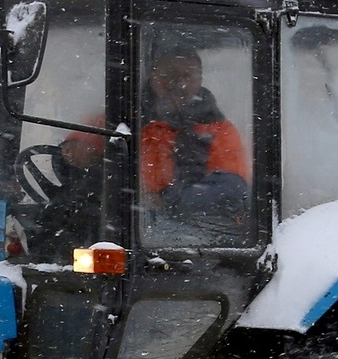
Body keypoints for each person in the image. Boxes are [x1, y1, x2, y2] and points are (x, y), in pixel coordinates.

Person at [49, 31, 250, 242]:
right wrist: (73, 154)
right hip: (117, 224)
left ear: (199, 80)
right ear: (151, 76)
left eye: (187, 76)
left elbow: (231, 187)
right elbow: (71, 158)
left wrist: (167, 200)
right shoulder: (119, 117)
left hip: (189, 233)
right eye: (169, 75)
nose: (179, 84)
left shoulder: (217, 128)